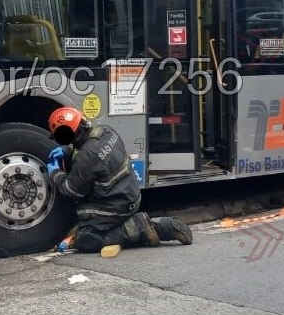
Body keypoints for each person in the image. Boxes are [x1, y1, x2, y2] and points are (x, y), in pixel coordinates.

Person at [44, 106, 193, 256]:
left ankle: (145, 226)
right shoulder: (106, 132)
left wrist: (55, 172)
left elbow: (71, 191)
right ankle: (128, 223)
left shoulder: (87, 157)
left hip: (115, 206)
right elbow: (93, 153)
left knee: (86, 240)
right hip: (130, 195)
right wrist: (68, 150)